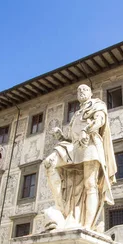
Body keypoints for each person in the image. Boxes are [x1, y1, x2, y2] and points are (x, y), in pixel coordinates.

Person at [43, 84, 117, 231]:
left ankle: (87, 225)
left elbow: (99, 121)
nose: (81, 91)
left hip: (90, 144)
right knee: (49, 163)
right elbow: (70, 137)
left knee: (90, 184)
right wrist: (60, 135)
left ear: (90, 93)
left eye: (85, 89)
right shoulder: (76, 114)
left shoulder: (97, 104)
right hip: (74, 147)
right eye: (79, 90)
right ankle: (61, 207)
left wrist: (86, 129)